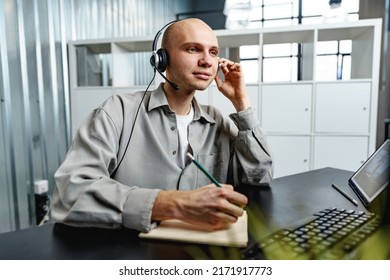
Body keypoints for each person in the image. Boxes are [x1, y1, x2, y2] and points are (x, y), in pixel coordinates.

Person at [51, 18, 273, 233]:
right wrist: (172, 204)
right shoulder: (117, 112)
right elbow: (70, 193)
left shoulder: (217, 120)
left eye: (213, 52)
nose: (207, 61)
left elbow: (258, 178)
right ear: (162, 59)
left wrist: (241, 103)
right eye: (193, 49)